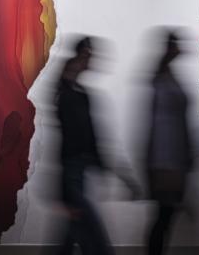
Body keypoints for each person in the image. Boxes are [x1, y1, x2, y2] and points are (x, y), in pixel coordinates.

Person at [53, 36, 117, 255]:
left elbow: (90, 135)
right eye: (90, 55)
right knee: (93, 235)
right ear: (83, 55)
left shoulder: (81, 93)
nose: (93, 60)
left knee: (72, 234)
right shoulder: (65, 93)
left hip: (78, 172)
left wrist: (102, 164)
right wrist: (63, 188)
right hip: (71, 174)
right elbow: (68, 139)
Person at [144, 30, 194, 255]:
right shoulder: (161, 81)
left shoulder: (166, 77)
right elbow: (158, 127)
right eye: (176, 45)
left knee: (166, 215)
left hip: (172, 159)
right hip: (166, 160)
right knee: (164, 214)